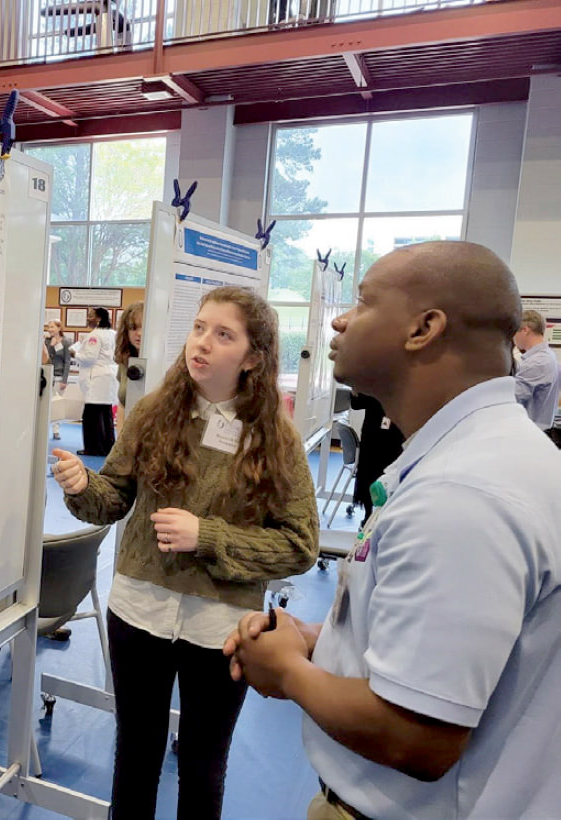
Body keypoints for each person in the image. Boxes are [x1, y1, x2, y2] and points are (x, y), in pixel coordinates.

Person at [224, 241, 561, 820]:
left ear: (424, 328)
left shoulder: (462, 495)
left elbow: (416, 737)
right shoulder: (482, 455)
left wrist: (288, 670)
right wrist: (322, 642)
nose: (339, 319)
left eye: (362, 302)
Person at [52, 286, 319, 819]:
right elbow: (114, 499)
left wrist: (210, 536)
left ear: (253, 358)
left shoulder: (275, 442)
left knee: (201, 767)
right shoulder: (153, 413)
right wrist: (82, 486)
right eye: (199, 328)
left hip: (220, 629)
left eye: (224, 335)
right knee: (135, 758)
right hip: (137, 612)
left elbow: (300, 544)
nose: (203, 344)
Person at [348, 392, 404, 520]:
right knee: (369, 474)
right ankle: (368, 514)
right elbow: (356, 404)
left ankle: (386, 512)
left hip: (392, 435)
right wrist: (354, 390)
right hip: (372, 435)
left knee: (389, 472)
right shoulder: (372, 381)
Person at [74, 306, 119, 456]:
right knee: (106, 415)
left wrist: (75, 353)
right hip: (110, 376)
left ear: (99, 319)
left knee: (92, 416)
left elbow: (89, 358)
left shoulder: (96, 335)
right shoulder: (113, 334)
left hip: (98, 377)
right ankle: (107, 446)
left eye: (91, 316)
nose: (88, 318)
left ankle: (94, 447)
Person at [513, 308, 561, 432]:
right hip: (541, 429)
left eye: (515, 333)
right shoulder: (548, 356)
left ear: (525, 330)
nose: (513, 339)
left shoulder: (537, 362)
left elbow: (513, 398)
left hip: (531, 430)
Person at [114, 301, 143, 433]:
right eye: (133, 328)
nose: (139, 333)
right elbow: (122, 405)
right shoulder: (125, 363)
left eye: (143, 327)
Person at [43, 320, 74, 440]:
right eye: (48, 327)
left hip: (59, 376)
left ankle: (56, 430)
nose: (50, 329)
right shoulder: (46, 341)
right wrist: (51, 346)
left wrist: (64, 380)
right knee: (47, 403)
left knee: (57, 403)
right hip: (48, 376)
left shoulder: (66, 342)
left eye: (52, 327)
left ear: (59, 328)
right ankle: (45, 428)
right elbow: (47, 359)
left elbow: (67, 362)